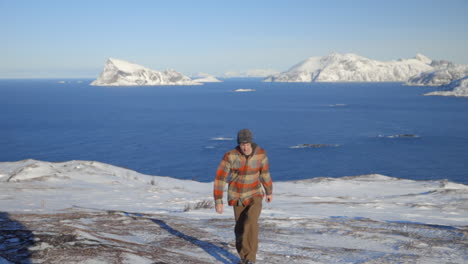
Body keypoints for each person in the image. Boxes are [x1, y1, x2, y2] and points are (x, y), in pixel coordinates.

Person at [213, 129, 273, 264]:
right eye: (242, 145)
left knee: (251, 223)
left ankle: (251, 258)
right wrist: (218, 200)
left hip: (255, 194)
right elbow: (220, 178)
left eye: (247, 144)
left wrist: (269, 191)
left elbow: (265, 174)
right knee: (240, 228)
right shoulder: (230, 156)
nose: (245, 147)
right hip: (237, 196)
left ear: (251, 143)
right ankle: (244, 258)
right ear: (239, 144)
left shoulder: (261, 154)